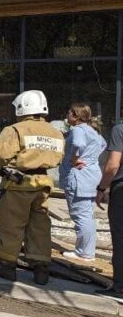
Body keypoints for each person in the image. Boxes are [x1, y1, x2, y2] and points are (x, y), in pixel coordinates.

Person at [0, 90, 65, 286]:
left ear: (21, 108)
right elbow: (58, 157)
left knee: (12, 225)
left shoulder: (15, 130)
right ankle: (41, 269)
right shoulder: (55, 132)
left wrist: (0, 167)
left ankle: (7, 266)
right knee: (40, 226)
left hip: (18, 184)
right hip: (43, 184)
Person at [59, 104, 106, 262]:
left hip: (79, 177)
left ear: (76, 116)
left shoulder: (78, 130)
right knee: (87, 215)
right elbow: (103, 145)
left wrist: (74, 158)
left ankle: (83, 253)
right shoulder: (93, 131)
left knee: (80, 215)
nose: (67, 114)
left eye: (69, 112)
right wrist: (90, 159)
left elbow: (78, 144)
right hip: (91, 176)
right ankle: (88, 250)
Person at [95, 121, 123, 300]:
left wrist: (101, 189)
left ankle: (120, 286)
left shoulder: (120, 129)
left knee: (120, 239)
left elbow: (113, 165)